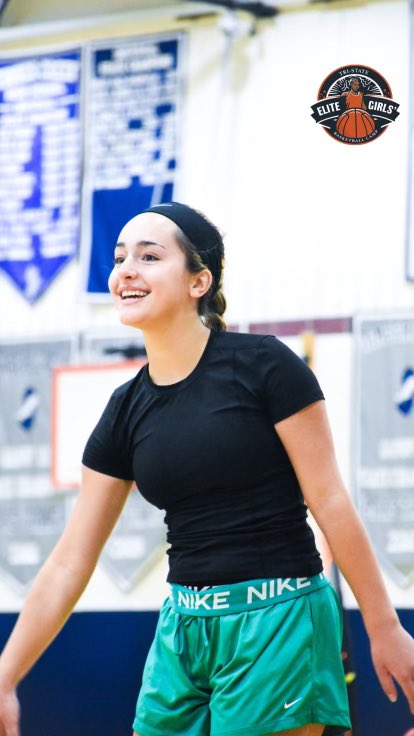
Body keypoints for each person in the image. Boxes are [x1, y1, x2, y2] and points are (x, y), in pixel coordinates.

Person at [0, 202, 413, 736]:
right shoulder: (125, 409)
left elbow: (330, 500)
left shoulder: (265, 365)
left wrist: (383, 626)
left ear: (200, 280)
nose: (127, 269)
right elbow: (70, 560)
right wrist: (5, 676)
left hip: (278, 618)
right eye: (121, 256)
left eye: (149, 257)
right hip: (183, 629)